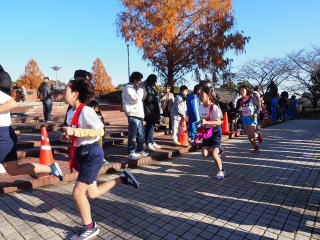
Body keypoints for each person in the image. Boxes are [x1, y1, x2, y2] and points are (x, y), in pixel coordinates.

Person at [62, 76, 140, 240]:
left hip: (92, 153)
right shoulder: (70, 112)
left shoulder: (86, 110)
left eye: (66, 90)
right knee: (93, 193)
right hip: (82, 154)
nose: (63, 93)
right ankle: (123, 179)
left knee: (77, 194)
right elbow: (76, 134)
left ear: (75, 94)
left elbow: (100, 131)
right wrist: (68, 136)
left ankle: (90, 227)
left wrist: (76, 132)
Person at [0, 70, 63, 180]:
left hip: (3, 135)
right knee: (13, 170)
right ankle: (51, 169)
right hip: (6, 134)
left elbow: (12, 103)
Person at [196, 83, 225, 179]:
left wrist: (206, 121)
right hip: (206, 133)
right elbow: (203, 119)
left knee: (214, 154)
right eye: (199, 95)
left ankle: (221, 171)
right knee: (204, 154)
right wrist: (199, 122)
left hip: (215, 132)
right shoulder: (200, 107)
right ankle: (220, 149)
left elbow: (219, 122)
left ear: (208, 96)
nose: (199, 97)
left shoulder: (214, 107)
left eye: (201, 95)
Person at [122, 72, 149, 160]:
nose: (140, 82)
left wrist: (143, 87)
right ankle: (131, 152)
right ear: (135, 80)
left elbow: (143, 97)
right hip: (132, 113)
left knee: (141, 134)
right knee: (132, 134)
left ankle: (140, 150)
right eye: (139, 80)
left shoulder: (137, 88)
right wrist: (141, 88)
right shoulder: (128, 87)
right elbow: (135, 99)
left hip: (139, 114)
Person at [236, 85, 263, 153]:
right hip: (244, 119)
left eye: (243, 90)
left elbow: (259, 106)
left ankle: (258, 134)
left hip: (252, 118)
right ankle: (256, 147)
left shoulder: (251, 98)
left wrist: (256, 113)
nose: (241, 92)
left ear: (246, 91)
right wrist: (239, 110)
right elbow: (237, 110)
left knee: (252, 134)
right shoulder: (239, 101)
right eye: (240, 90)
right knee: (249, 138)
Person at [143, 74, 161, 151]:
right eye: (155, 81)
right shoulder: (146, 88)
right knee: (149, 127)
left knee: (152, 127)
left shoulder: (151, 88)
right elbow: (148, 99)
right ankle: (148, 142)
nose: (155, 83)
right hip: (149, 111)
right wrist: (155, 97)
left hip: (153, 111)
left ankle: (152, 141)